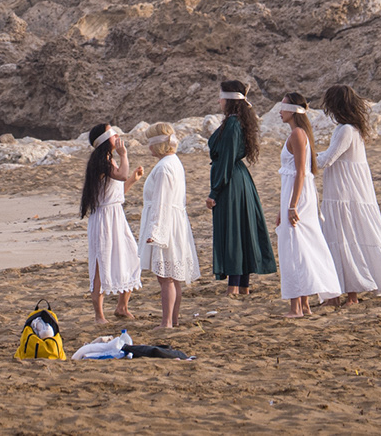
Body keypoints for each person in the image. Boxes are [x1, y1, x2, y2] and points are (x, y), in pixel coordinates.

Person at [318, 83, 381, 307]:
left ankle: (350, 296)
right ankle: (335, 295)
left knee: (344, 240)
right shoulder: (349, 129)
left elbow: (327, 160)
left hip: (344, 195)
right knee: (340, 240)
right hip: (344, 193)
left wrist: (301, 155)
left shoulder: (346, 131)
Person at [271, 92, 341, 317]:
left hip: (299, 197)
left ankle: (296, 308)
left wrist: (292, 206)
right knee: (298, 245)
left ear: (293, 111)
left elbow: (301, 171)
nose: (280, 111)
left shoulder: (298, 134)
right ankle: (304, 305)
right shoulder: (298, 134)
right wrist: (283, 208)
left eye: (283, 107)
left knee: (294, 248)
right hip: (295, 195)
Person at [206, 80, 276, 297]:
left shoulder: (232, 124)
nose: (219, 101)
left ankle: (234, 287)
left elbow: (226, 160)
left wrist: (214, 192)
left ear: (229, 100)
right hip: (240, 179)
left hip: (231, 183)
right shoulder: (238, 122)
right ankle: (243, 285)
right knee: (241, 228)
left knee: (234, 230)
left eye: (221, 97)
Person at [80, 123, 143, 323]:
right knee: (101, 263)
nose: (117, 136)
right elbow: (121, 175)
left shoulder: (109, 161)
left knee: (131, 256)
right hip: (104, 220)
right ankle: (99, 315)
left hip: (116, 215)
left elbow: (115, 194)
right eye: (113, 134)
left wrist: (133, 180)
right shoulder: (102, 163)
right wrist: (124, 155)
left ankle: (122, 307)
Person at [136, 128, 198, 329]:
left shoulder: (164, 167)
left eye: (151, 143)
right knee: (173, 277)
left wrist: (155, 231)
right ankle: (173, 319)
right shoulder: (173, 162)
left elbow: (161, 201)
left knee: (166, 278)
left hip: (166, 223)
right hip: (174, 221)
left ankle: (167, 322)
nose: (148, 147)